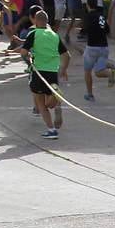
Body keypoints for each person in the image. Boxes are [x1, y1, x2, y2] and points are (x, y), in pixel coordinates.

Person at [20, 10, 69, 139]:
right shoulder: (54, 35)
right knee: (49, 102)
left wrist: (29, 60)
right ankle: (55, 98)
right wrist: (63, 70)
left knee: (40, 103)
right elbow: (66, 55)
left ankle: (51, 130)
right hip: (53, 71)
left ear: (36, 21)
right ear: (47, 22)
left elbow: (23, 52)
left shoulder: (33, 34)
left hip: (38, 71)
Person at [82, 0, 115, 101]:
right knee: (99, 72)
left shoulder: (88, 17)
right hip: (104, 47)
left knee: (87, 71)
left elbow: (85, 30)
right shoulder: (101, 16)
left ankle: (90, 94)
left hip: (91, 47)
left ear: (88, 5)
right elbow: (107, 30)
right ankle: (109, 73)